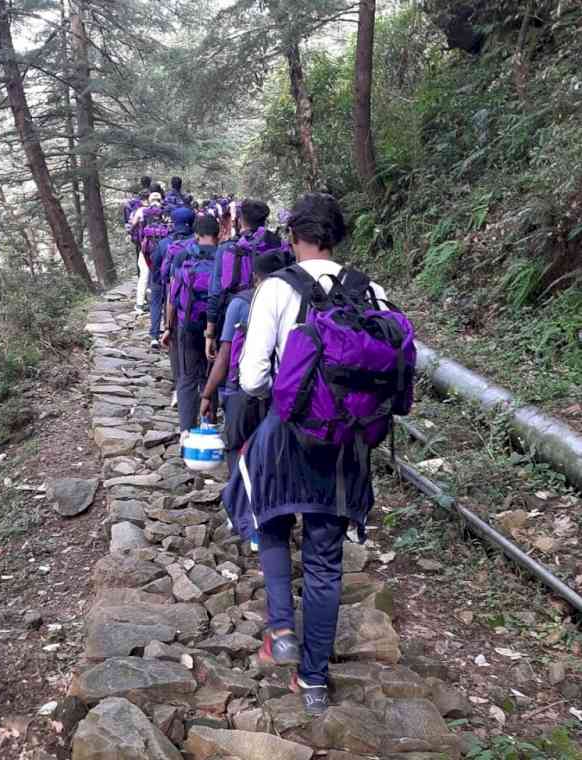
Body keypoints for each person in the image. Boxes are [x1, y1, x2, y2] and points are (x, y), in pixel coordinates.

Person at [222, 193, 389, 716]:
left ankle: (281, 630)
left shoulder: (276, 287)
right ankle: (313, 681)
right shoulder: (372, 291)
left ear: (293, 237)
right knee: (325, 559)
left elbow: (251, 378)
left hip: (286, 431)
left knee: (268, 521)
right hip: (346, 444)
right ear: (338, 236)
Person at [198, 250, 290, 473]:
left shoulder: (241, 303)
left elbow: (225, 354)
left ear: (255, 276)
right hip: (283, 389)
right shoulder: (295, 299)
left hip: (240, 388)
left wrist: (208, 394)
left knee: (236, 445)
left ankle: (240, 500)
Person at [204, 199, 283, 361]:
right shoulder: (280, 247)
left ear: (240, 220)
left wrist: (210, 333)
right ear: (265, 220)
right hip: (274, 311)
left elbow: (215, 292)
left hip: (234, 313)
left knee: (229, 361)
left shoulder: (227, 248)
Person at [162, 214, 219, 438]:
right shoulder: (225, 256)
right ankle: (209, 428)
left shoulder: (183, 256)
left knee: (186, 379)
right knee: (211, 374)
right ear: (219, 234)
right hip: (215, 328)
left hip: (187, 326)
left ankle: (186, 432)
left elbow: (172, 295)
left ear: (196, 234)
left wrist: (168, 327)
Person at [150, 207, 196, 353]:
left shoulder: (164, 243)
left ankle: (155, 334)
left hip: (169, 285)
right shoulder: (197, 241)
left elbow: (155, 263)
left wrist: (159, 281)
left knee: (157, 301)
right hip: (192, 288)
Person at [130, 191, 163, 314]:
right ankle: (161, 303)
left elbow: (133, 225)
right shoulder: (165, 211)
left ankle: (139, 304)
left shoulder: (141, 211)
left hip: (146, 246)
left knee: (144, 274)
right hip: (162, 246)